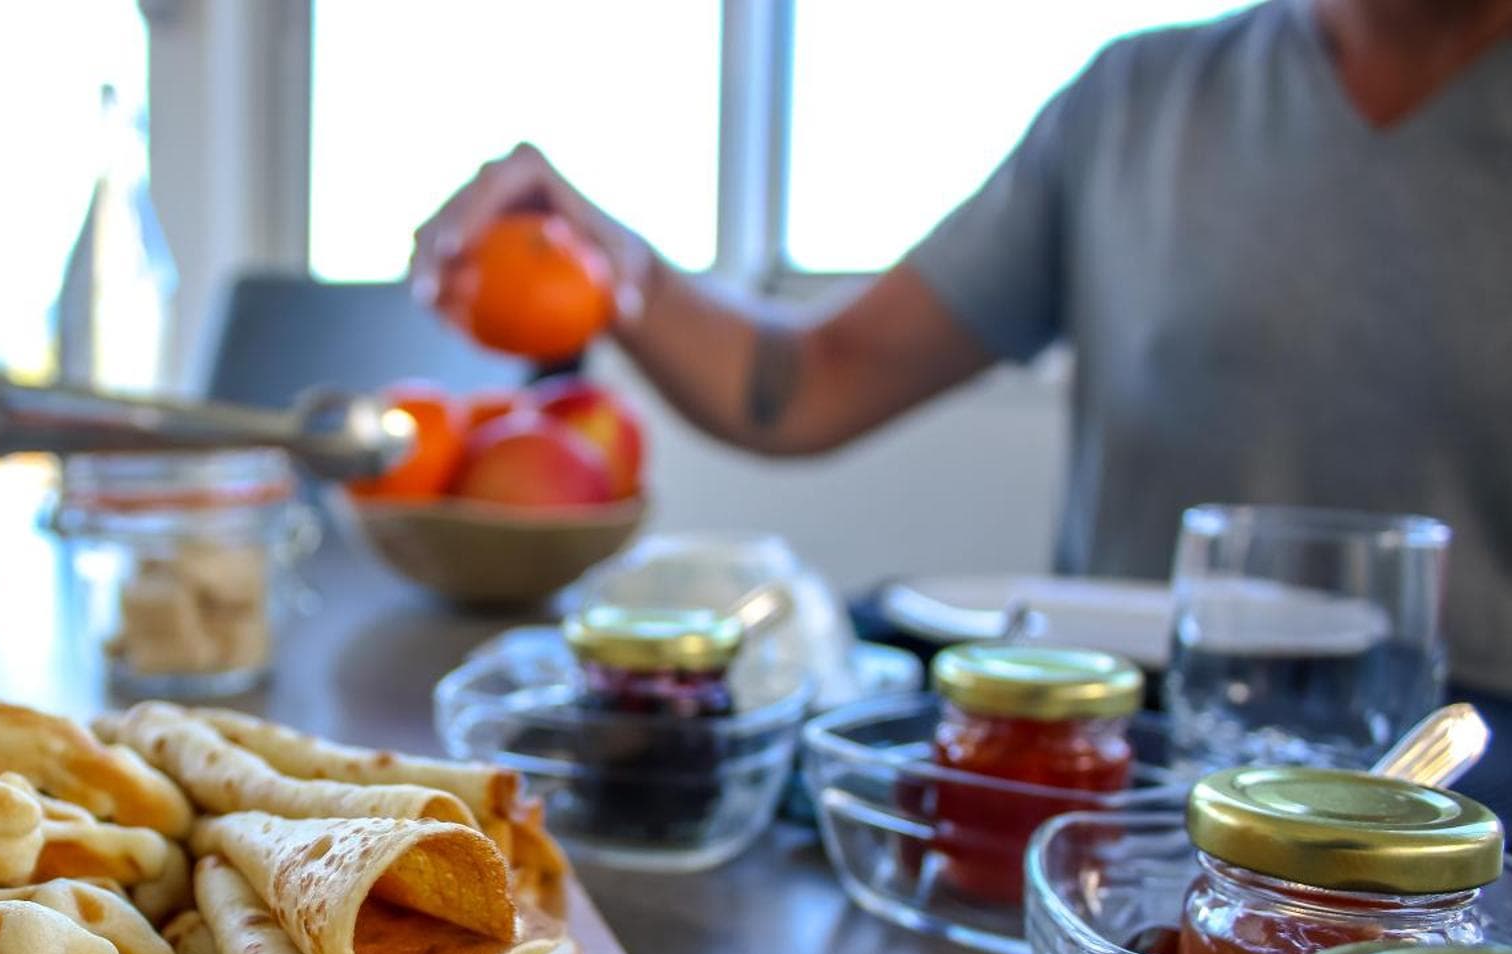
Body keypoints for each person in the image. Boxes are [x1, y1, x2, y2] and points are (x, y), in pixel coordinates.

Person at [409, 0, 1512, 709]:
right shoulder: (1134, 106)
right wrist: (607, 262)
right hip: (1124, 762)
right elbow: (805, 382)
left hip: (1475, 773)